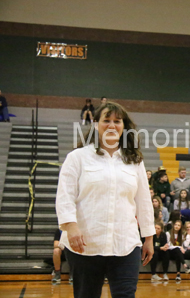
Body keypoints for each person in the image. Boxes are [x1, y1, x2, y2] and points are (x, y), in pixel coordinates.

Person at [56, 102, 155, 298]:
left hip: (125, 245)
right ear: (95, 124)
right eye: (106, 120)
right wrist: (71, 226)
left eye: (117, 121)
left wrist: (149, 237)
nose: (111, 125)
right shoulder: (77, 157)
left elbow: (143, 201)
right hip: (85, 245)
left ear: (124, 126)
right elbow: (64, 195)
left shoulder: (135, 161)